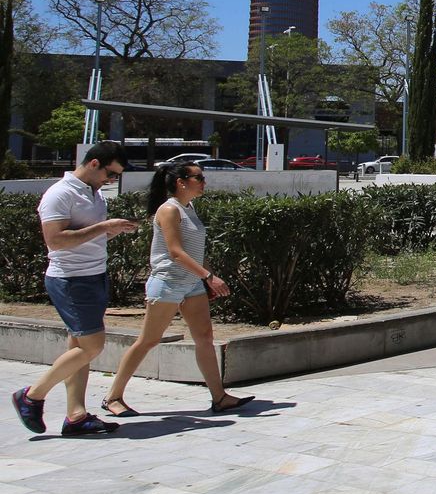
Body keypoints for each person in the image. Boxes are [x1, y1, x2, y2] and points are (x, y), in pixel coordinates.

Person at [100, 163, 254, 417]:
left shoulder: (189, 208)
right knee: (148, 340)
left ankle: (219, 397)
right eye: (199, 177)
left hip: (191, 284)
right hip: (168, 282)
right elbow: (175, 252)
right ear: (181, 182)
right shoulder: (169, 209)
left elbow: (195, 250)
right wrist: (208, 276)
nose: (204, 182)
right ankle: (113, 397)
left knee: (204, 338)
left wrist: (206, 277)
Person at [11, 141, 139, 435]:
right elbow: (55, 240)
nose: (111, 180)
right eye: (110, 173)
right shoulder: (60, 193)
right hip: (70, 279)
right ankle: (31, 396)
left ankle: (76, 415)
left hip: (94, 275)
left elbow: (86, 237)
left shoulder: (94, 193)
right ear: (94, 164)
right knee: (92, 346)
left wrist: (111, 231)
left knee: (80, 348)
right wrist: (103, 227)